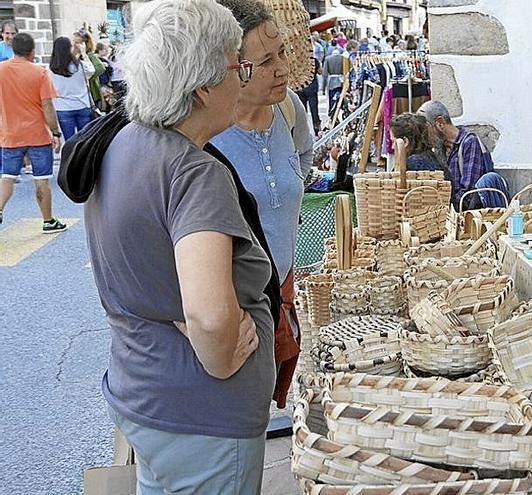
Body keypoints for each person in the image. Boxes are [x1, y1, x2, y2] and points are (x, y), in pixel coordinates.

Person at [60, 0, 275, 491]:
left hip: (143, 391)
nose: (242, 79)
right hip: (203, 417)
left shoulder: (123, 142)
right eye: (236, 67)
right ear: (203, 88)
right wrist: (221, 353)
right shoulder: (194, 173)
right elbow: (210, 315)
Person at [212, 0, 314, 410]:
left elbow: (303, 156)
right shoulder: (208, 134)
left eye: (283, 54)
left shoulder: (290, 109)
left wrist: (290, 198)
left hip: (281, 288)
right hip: (234, 304)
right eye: (267, 60)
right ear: (234, 69)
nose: (282, 69)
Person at [0, 33, 65, 231]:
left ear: (13, 49)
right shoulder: (39, 73)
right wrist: (55, 132)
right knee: (41, 180)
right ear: (32, 51)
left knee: (7, 177)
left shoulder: (1, 70)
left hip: (10, 133)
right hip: (37, 135)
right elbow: (47, 106)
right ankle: (48, 221)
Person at [418, 100, 492, 209]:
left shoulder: (469, 143)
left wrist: (444, 208)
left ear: (440, 123)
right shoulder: (439, 148)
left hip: (466, 216)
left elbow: (468, 193)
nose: (425, 135)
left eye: (426, 129)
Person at [48, 37, 95, 141]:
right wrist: (84, 54)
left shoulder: (50, 69)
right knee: (84, 140)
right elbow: (92, 71)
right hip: (82, 104)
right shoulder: (80, 66)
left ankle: (70, 157)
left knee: (69, 141)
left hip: (63, 107)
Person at [72, 30, 105, 112]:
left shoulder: (89, 55)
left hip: (91, 94)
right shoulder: (73, 56)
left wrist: (89, 76)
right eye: (74, 42)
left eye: (77, 42)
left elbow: (101, 68)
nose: (75, 45)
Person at [297, 55, 321, 136]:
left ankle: (303, 133)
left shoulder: (297, 61)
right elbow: (320, 72)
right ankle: (317, 132)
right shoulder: (314, 61)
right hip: (312, 89)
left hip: (300, 89)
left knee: (302, 113)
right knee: (314, 112)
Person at [322, 43, 344, 117]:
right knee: (340, 97)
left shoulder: (328, 59)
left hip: (331, 81)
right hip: (341, 80)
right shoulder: (343, 58)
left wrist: (323, 88)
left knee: (331, 97)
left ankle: (331, 113)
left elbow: (324, 74)